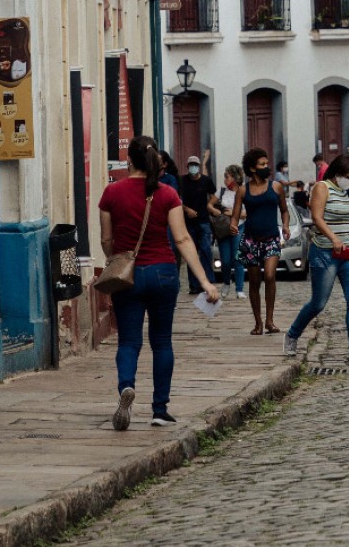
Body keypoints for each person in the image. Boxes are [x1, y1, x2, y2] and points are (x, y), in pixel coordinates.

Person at [98, 138, 220, 430]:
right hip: (164, 272)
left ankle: (126, 386)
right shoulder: (167, 194)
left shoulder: (111, 192)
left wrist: (117, 261)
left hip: (128, 276)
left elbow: (105, 239)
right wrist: (204, 280)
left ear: (130, 162)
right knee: (162, 341)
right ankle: (159, 409)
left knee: (129, 341)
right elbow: (181, 239)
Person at [284, 155, 349, 367]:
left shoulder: (345, 192)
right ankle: (292, 334)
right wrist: (334, 238)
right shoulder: (322, 187)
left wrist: (346, 240)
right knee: (318, 303)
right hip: (325, 252)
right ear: (338, 174)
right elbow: (317, 217)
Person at [237, 147, 289, 336]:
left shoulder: (276, 187)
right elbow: (235, 215)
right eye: (262, 164)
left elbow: (284, 209)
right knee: (254, 281)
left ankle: (270, 320)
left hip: (271, 238)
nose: (266, 167)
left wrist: (285, 225)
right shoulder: (243, 190)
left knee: (269, 275)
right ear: (252, 168)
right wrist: (233, 225)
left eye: (267, 163)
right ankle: (258, 322)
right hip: (251, 240)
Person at [177, 154, 217, 296]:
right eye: (191, 165)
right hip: (188, 223)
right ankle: (194, 285)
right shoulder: (182, 181)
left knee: (206, 251)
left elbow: (214, 195)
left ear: (198, 167)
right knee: (191, 253)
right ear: (188, 167)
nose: (193, 168)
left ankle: (208, 281)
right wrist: (186, 210)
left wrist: (210, 206)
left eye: (195, 165)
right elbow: (176, 199)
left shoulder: (206, 181)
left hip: (204, 221)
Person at [212, 165, 245, 298]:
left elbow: (248, 213)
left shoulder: (243, 192)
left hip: (238, 227)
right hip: (224, 229)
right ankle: (226, 282)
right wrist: (214, 210)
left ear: (235, 178)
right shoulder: (221, 191)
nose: (225, 179)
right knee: (225, 260)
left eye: (227, 176)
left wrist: (234, 213)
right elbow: (209, 204)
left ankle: (239, 289)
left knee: (238, 258)